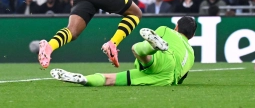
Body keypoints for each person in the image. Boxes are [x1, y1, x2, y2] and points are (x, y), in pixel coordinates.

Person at [50, 16, 197, 87]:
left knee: (136, 49)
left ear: (176, 27)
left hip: (164, 59)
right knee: (114, 79)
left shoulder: (167, 31)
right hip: (167, 79)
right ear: (192, 36)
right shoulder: (191, 53)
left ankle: (151, 46)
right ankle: (84, 80)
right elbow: (182, 78)